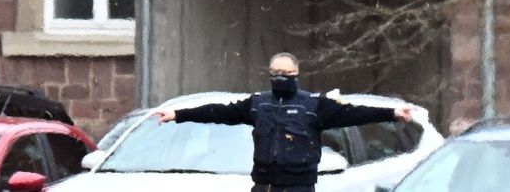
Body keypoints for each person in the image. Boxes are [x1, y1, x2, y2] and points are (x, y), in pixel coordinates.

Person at [152, 53, 417, 192]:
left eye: (285, 73)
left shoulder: (314, 106)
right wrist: (178, 115)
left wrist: (391, 113)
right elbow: (218, 112)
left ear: (296, 74)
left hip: (300, 187)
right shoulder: (258, 104)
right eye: (275, 73)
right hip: (264, 185)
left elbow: (355, 114)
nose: (280, 77)